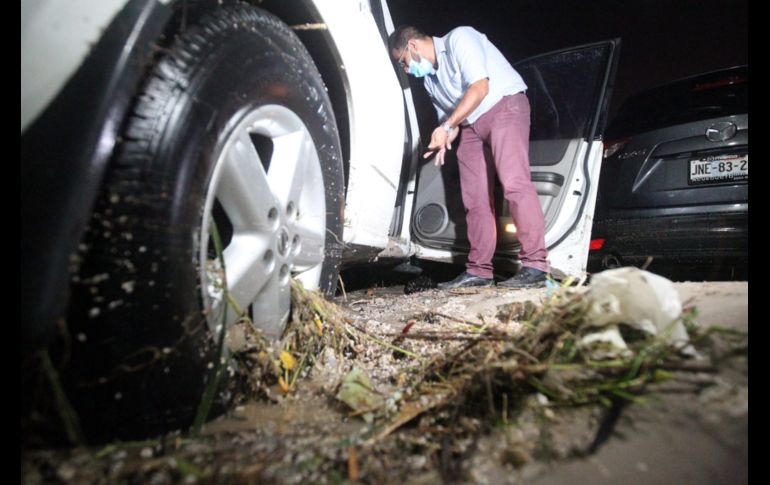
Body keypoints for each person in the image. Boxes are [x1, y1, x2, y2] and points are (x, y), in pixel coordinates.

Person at [388, 25, 550, 289]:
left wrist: (447, 126)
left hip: (503, 106)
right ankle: (479, 272)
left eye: (403, 62)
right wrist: (443, 138)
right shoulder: (430, 81)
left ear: (413, 47)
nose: (406, 70)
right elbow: (449, 123)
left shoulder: (460, 39)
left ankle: (536, 266)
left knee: (514, 183)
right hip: (470, 126)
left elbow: (479, 87)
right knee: (474, 198)